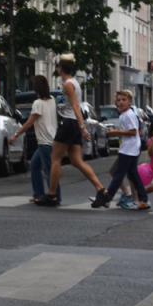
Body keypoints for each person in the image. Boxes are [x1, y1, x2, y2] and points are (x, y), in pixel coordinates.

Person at [38, 54, 107, 207]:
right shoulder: (74, 82)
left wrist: (82, 128)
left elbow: (76, 106)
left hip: (69, 124)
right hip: (73, 123)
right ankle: (101, 190)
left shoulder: (69, 85)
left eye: (58, 67)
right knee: (76, 161)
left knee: (55, 159)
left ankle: (51, 194)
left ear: (60, 68)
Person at [10, 75, 60, 204]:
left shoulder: (38, 103)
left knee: (49, 170)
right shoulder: (52, 100)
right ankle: (38, 194)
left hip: (45, 141)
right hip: (52, 139)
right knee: (34, 165)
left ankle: (53, 196)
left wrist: (15, 135)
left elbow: (28, 123)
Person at [102, 90, 150, 210]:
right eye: (118, 100)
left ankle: (107, 198)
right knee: (133, 176)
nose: (121, 102)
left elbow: (133, 131)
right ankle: (144, 200)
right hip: (129, 148)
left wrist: (116, 132)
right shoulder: (124, 115)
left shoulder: (129, 114)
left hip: (129, 150)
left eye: (124, 100)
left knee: (118, 174)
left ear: (130, 102)